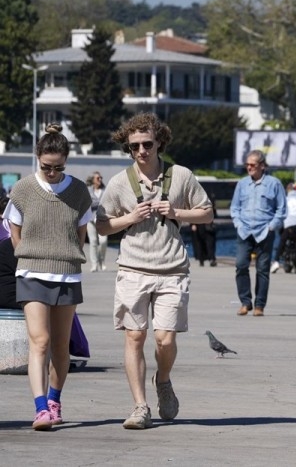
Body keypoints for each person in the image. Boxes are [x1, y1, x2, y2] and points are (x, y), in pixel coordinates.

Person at [96, 113, 213, 429]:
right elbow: (103, 225)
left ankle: (163, 379)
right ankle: (139, 406)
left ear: (160, 141)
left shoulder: (182, 176)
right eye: (134, 146)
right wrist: (130, 218)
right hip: (133, 268)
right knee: (134, 336)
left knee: (164, 340)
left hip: (171, 270)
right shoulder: (120, 182)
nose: (141, 151)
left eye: (147, 144)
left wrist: (177, 212)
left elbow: (207, 213)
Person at [2, 124, 92, 430]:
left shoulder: (79, 191)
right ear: (37, 157)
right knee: (38, 341)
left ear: (66, 162)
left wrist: (67, 253)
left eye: (58, 167)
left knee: (60, 348)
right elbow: (14, 229)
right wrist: (25, 254)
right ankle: (41, 409)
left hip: (67, 274)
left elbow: (81, 233)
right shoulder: (24, 189)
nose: (52, 172)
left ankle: (55, 399)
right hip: (31, 272)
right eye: (46, 167)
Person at [230, 150, 286, 316]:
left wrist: (272, 227)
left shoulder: (274, 183)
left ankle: (259, 305)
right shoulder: (242, 184)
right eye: (247, 165)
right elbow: (234, 207)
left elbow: (281, 209)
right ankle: (245, 302)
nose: (249, 167)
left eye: (252, 165)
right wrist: (238, 224)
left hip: (264, 232)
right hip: (244, 231)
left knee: (262, 269)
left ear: (262, 166)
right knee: (241, 265)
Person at [86, 171, 108, 272]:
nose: (100, 180)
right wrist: (99, 203)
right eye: (97, 178)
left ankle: (101, 261)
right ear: (93, 180)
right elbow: (87, 203)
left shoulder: (105, 190)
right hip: (90, 220)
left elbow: (107, 202)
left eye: (101, 178)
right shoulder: (88, 191)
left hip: (103, 219)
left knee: (103, 242)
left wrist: (95, 203)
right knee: (93, 242)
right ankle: (94, 264)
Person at [190, 193, 217, 267]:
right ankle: (201, 259)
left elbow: (213, 213)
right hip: (199, 225)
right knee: (200, 243)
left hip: (207, 225)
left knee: (210, 243)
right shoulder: (195, 203)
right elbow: (192, 214)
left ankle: (211, 259)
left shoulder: (209, 202)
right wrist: (193, 224)